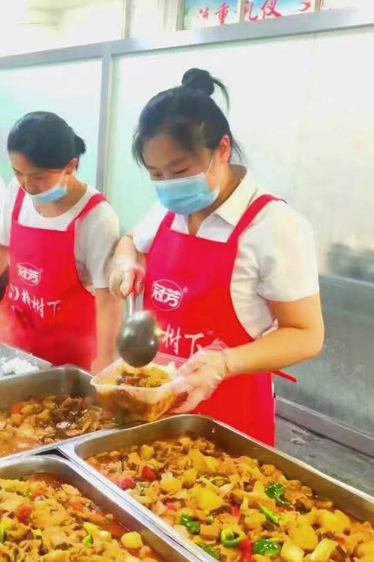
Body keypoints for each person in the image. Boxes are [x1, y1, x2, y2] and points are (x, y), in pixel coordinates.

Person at [109, 68, 324, 445]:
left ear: (222, 149)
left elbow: (306, 334)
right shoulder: (167, 211)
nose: (169, 185)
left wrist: (223, 363)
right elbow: (130, 240)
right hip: (156, 408)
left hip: (230, 420)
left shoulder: (274, 226)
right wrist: (125, 262)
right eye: (156, 174)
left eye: (180, 170)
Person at [0, 112, 121, 373]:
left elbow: (108, 298)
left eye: (38, 177)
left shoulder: (97, 218)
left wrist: (106, 357)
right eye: (18, 172)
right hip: (12, 340)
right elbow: (0, 244)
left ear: (70, 166)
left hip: (65, 355)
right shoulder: (17, 192)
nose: (27, 185)